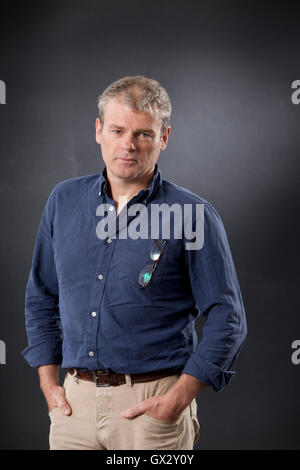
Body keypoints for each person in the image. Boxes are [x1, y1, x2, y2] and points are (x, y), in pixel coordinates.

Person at [22, 75, 247, 450]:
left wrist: (177, 400)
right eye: (117, 130)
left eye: (143, 134)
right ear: (99, 131)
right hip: (72, 410)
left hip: (151, 410)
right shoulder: (63, 202)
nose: (128, 144)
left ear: (164, 138)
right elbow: (42, 295)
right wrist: (49, 384)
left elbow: (228, 317)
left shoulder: (191, 215)